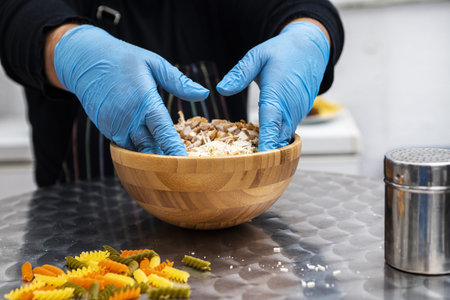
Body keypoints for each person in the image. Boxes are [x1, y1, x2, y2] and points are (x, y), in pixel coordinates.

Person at [0, 0, 344, 187]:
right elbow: (15, 18)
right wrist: (68, 49)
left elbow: (300, 6)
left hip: (223, 209)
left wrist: (308, 35)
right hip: (75, 228)